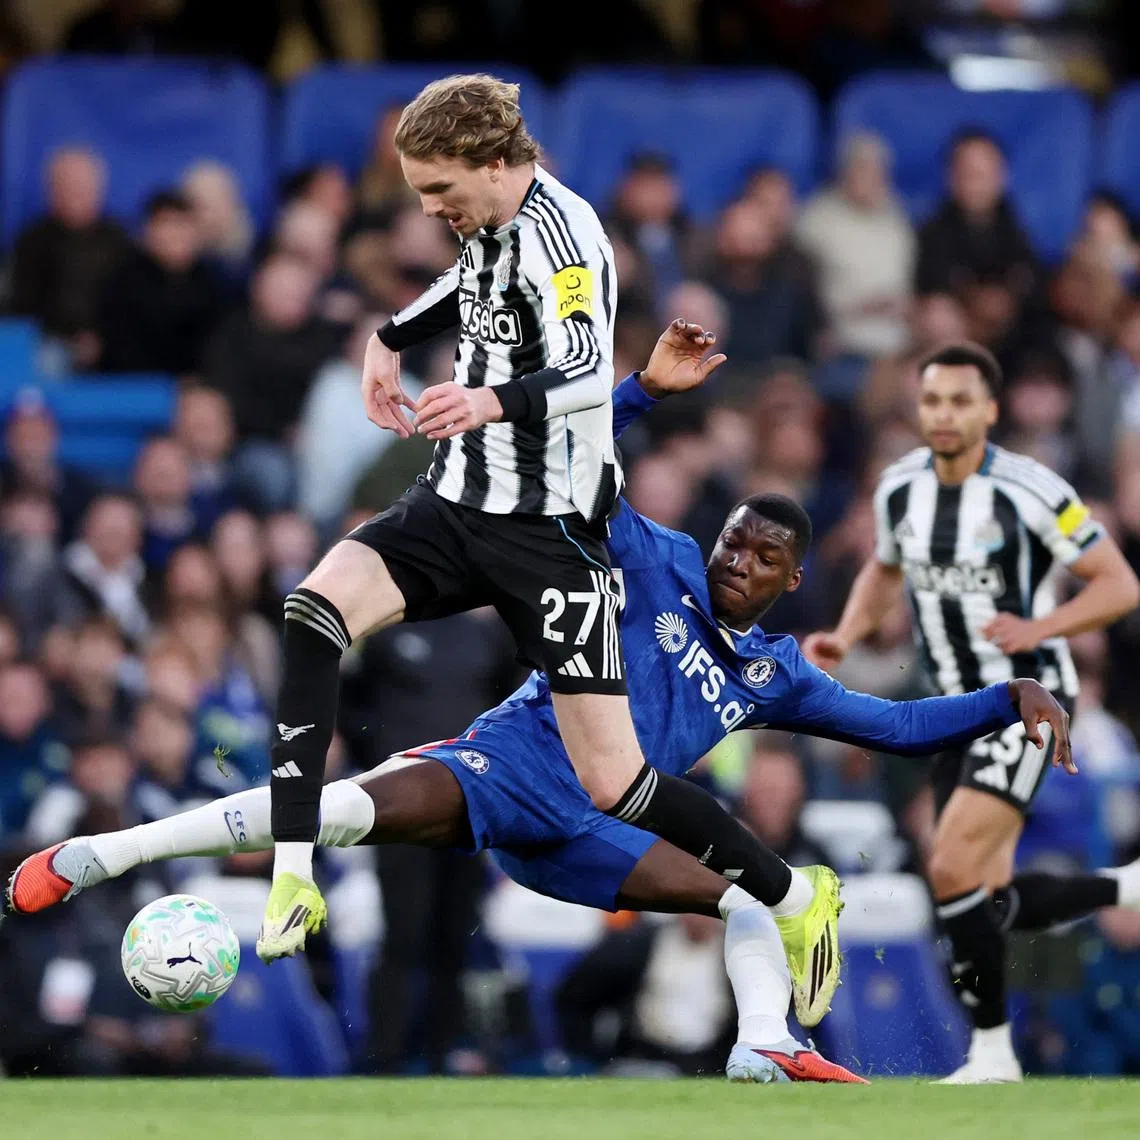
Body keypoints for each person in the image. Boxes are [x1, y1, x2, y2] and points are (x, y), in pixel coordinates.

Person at [7, 319, 1076, 1084]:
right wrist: (644, 391)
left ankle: (764, 1045)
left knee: (746, 895)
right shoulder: (652, 554)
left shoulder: (778, 673)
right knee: (336, 811)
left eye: (763, 557)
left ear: (793, 580)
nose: (738, 560)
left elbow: (897, 726)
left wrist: (1006, 696)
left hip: (595, 829)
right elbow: (569, 462)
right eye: (734, 540)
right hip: (513, 765)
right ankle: (104, 854)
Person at [252, 72, 844, 978]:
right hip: (457, 503)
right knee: (312, 612)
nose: (429, 209)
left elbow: (582, 365)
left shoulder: (569, 239)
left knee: (617, 784)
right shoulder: (487, 219)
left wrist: (487, 400)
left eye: (439, 189)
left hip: (553, 538)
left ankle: (794, 897)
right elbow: (468, 283)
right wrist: (388, 337)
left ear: (494, 163)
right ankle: (293, 873)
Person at [802, 340, 1140, 1084]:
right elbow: (884, 568)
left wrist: (1040, 626)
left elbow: (1119, 584)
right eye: (932, 400)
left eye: (960, 401)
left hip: (1031, 700)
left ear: (989, 409)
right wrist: (846, 636)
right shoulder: (900, 487)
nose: (944, 414)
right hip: (953, 711)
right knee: (984, 897)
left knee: (950, 862)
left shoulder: (1032, 489)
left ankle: (991, 1052)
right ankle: (1124, 888)